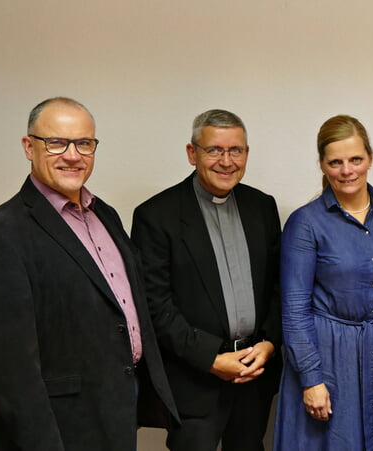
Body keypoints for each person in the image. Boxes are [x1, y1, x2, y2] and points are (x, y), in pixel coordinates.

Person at [0, 97, 178, 450]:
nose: (73, 155)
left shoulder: (103, 214)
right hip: (58, 429)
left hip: (115, 410)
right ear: (29, 147)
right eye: (56, 142)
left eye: (84, 143)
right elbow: (10, 374)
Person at [131, 109, 281, 451]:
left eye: (236, 151)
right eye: (214, 150)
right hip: (194, 379)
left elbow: (279, 287)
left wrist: (270, 344)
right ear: (192, 153)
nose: (226, 161)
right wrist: (211, 359)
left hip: (254, 375)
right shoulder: (156, 216)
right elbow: (154, 305)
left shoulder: (262, 207)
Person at [272, 115, 373, 451]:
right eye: (335, 162)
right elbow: (293, 309)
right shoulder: (305, 223)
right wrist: (311, 378)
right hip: (328, 357)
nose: (347, 171)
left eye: (355, 160)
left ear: (370, 159)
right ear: (322, 165)